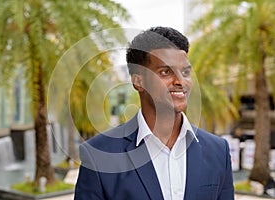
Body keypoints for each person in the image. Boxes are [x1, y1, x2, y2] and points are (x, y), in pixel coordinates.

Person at [74, 26, 234, 200]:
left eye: (185, 72)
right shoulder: (98, 155)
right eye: (165, 72)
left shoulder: (218, 151)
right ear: (138, 81)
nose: (180, 81)